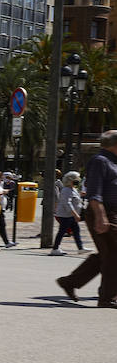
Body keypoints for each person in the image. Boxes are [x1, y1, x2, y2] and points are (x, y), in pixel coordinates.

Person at [57, 129, 117, 307]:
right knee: (113, 254)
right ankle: (107, 297)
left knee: (109, 254)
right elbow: (94, 193)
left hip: (112, 212)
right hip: (104, 212)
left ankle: (70, 282)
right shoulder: (100, 161)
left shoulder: (113, 161)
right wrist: (101, 217)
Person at [51, 171, 87, 256]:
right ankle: (55, 249)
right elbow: (67, 203)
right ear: (71, 180)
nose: (78, 180)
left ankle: (80, 248)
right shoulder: (66, 190)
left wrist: (81, 195)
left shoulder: (73, 189)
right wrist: (75, 214)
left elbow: (75, 199)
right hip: (65, 215)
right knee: (62, 231)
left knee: (76, 231)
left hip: (70, 215)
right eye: (76, 179)